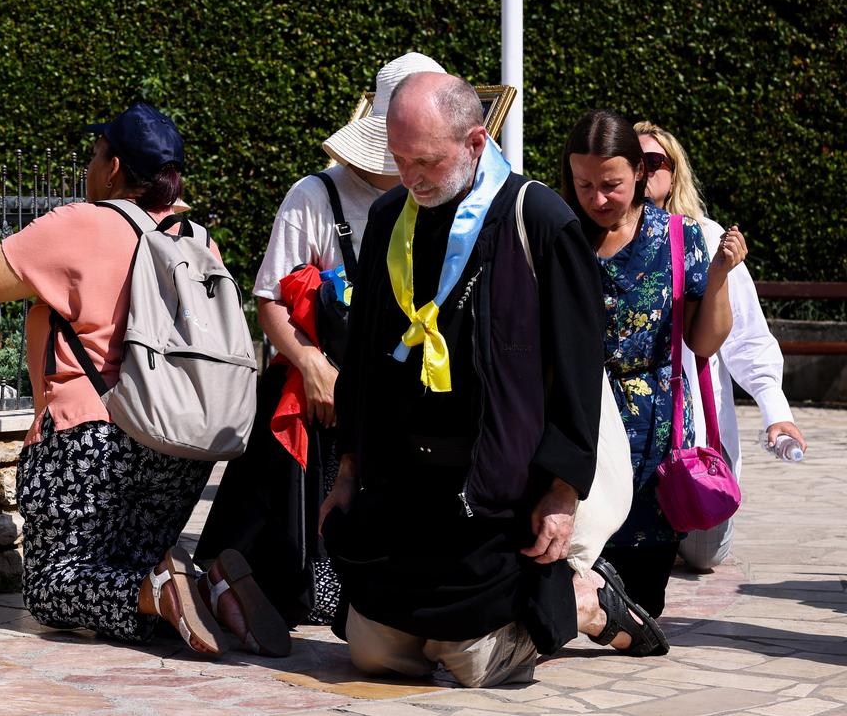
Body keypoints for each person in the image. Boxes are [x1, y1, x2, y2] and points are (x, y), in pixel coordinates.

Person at [323, 74, 663, 690]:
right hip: (406, 488)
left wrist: (563, 492)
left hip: (494, 496)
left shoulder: (538, 219)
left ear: (477, 141)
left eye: (427, 160)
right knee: (374, 655)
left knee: (475, 665)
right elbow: (367, 360)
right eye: (399, 160)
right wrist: (348, 467)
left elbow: (578, 369)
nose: (412, 178)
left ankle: (585, 600)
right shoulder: (387, 217)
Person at [0, 103, 289, 659]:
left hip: (89, 435)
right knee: (123, 568)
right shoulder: (198, 240)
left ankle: (171, 591)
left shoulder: (82, 224)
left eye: (95, 152)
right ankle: (207, 583)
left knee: (54, 588)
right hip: (178, 439)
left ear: (112, 170)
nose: (89, 164)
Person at [197, 52, 442, 627]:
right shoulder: (314, 196)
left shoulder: (440, 197)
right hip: (319, 402)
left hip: (400, 397)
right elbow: (269, 301)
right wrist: (309, 363)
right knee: (301, 566)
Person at [561, 110, 744, 618]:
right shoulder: (558, 234)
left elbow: (703, 342)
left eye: (611, 184)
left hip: (652, 441)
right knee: (572, 562)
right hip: (579, 427)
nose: (597, 198)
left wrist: (722, 275)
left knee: (643, 605)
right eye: (584, 184)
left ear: (640, 173)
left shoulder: (679, 237)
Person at [635, 121, 803, 571]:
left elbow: (747, 338)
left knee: (702, 555)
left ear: (674, 174)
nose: (643, 171)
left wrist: (776, 412)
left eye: (655, 162)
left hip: (696, 437)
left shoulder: (706, 237)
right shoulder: (596, 238)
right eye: (633, 161)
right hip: (631, 426)